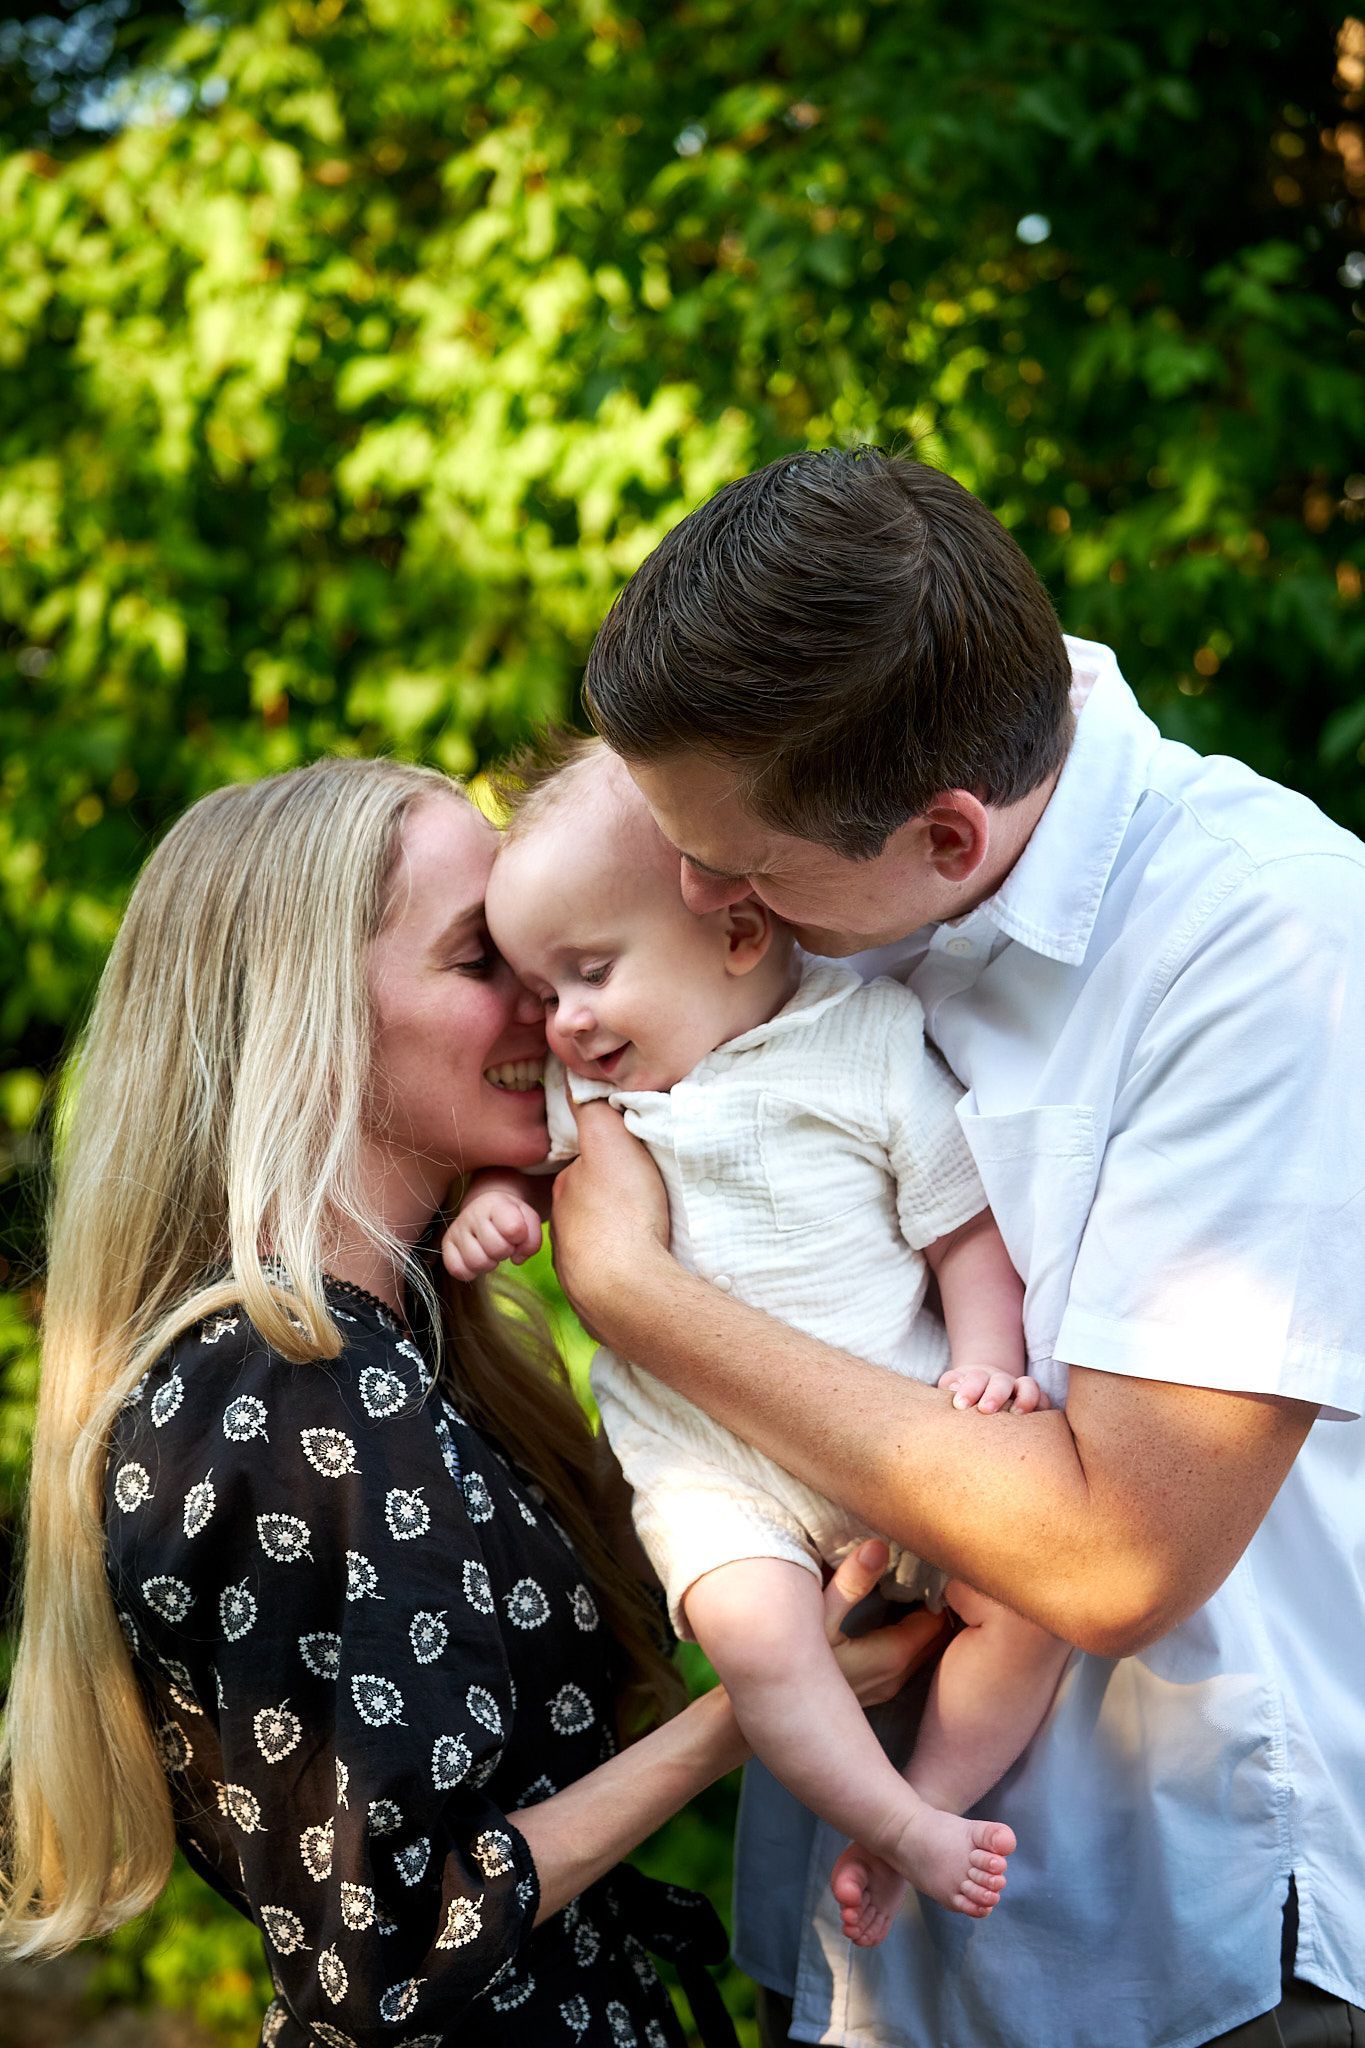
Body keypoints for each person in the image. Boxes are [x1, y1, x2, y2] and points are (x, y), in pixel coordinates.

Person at [544, 449, 1365, 2048]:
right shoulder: (822, 897)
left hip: (1176, 1945)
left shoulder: (1264, 942)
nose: (700, 897)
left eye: (743, 870)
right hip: (856, 1953)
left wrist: (640, 1299)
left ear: (946, 833)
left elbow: (1114, 1556)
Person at [0, 755, 936, 2048]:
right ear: (308, 1014)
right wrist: (765, 1706)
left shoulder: (405, 1349)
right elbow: (374, 1950)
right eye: (479, 961)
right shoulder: (283, 1395)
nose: (548, 1014)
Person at [442, 735, 1071, 1940]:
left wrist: (985, 1355)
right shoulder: (598, 1095)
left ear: (735, 934)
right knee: (760, 1645)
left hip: (902, 1432)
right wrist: (493, 1207)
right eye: (542, 990)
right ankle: (889, 1821)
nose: (562, 1022)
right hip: (714, 1474)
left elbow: (961, 1228)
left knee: (1031, 1602)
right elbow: (520, 1170)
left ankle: (932, 1799)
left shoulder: (870, 1036)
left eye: (587, 974)